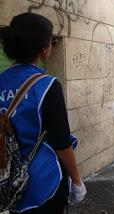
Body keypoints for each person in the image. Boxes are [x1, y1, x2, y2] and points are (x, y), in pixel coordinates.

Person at [0, 13, 86, 213]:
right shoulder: (47, 85)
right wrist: (77, 181)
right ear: (44, 50)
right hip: (43, 185)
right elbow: (61, 143)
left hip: (7, 185)